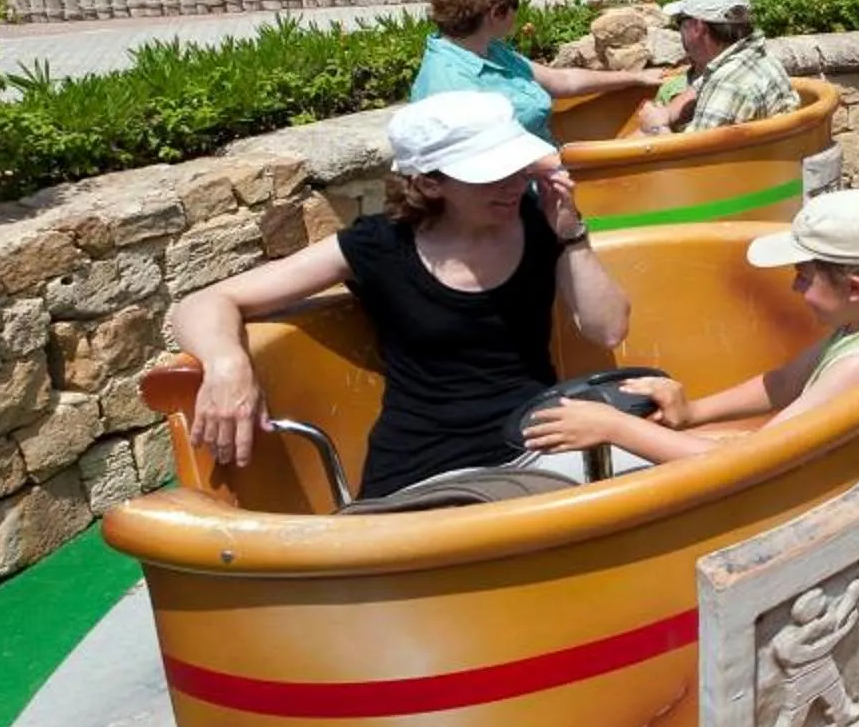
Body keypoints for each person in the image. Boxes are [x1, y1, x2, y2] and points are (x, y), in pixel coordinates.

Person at [166, 92, 634, 501]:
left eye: (516, 166)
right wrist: (227, 364)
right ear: (430, 183)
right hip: (424, 468)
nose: (514, 183)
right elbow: (204, 303)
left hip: (539, 442)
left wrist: (571, 235)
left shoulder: (540, 221)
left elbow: (608, 327)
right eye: (492, 174)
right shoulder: (380, 245)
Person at [522, 188, 859, 464]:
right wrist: (693, 412)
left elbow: (758, 460)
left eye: (803, 275)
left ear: (854, 288)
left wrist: (614, 427)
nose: (794, 283)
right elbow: (785, 383)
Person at [410, 0, 654, 143]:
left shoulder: (488, 49)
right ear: (495, 13)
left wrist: (635, 77)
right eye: (514, 3)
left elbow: (562, 80)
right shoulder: (449, 81)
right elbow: (481, 157)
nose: (519, 10)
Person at [638, 0, 798, 135]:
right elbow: (699, 86)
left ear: (698, 27)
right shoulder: (757, 57)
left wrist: (656, 127)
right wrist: (666, 113)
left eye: (680, 21)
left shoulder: (727, 85)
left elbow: (691, 157)